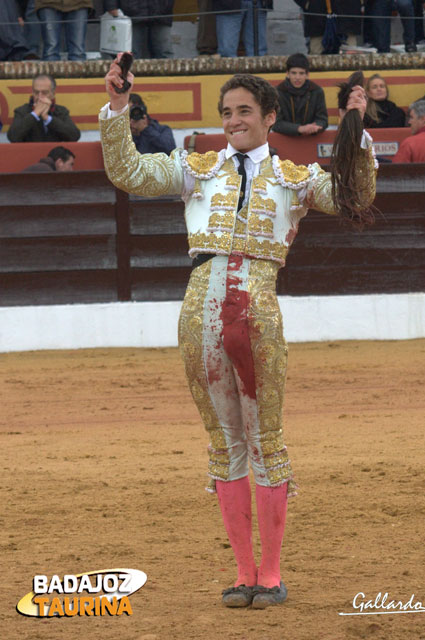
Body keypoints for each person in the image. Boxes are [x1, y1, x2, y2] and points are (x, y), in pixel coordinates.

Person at [100, 54, 377, 609]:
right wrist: (116, 103)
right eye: (227, 112)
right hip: (199, 312)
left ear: (269, 116)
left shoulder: (295, 179)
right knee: (224, 443)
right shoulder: (193, 168)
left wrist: (357, 132)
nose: (233, 120)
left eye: (244, 111)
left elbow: (355, 195)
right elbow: (127, 171)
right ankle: (242, 571)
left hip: (258, 311)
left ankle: (270, 576)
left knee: (265, 441)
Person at [7, 74, 81, 143]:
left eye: (44, 92)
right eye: (36, 92)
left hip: (54, 155)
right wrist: (34, 114)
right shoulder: (21, 111)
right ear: (32, 92)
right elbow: (13, 137)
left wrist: (47, 118)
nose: (40, 96)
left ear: (53, 93)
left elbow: (74, 136)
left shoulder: (61, 111)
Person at [272, 52, 328, 137]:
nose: (297, 77)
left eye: (301, 73)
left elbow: (323, 120)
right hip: (285, 139)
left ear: (307, 74)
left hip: (311, 138)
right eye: (293, 73)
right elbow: (276, 123)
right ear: (287, 73)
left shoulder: (317, 91)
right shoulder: (278, 92)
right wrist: (299, 129)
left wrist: (315, 127)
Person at [104, 1, 174, 59]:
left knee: (164, 52)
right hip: (131, 14)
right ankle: (128, 75)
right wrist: (111, 7)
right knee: (130, 53)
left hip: (161, 12)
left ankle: (169, 75)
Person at [294, 0, 362, 55]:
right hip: (317, 16)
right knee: (317, 59)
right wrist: (307, 3)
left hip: (348, 16)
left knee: (349, 58)